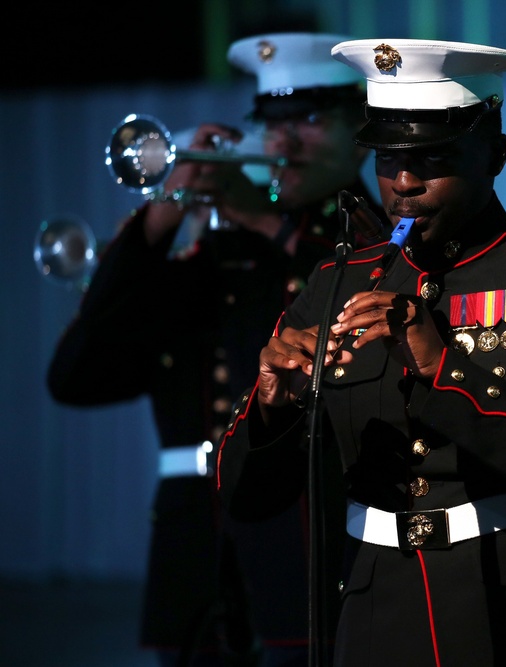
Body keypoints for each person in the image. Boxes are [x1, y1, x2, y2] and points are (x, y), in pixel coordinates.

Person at [215, 38, 506, 666]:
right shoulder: (334, 281)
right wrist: (272, 408)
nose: (405, 183)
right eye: (387, 158)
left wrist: (443, 369)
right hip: (377, 620)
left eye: (432, 157)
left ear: (495, 152)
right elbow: (247, 500)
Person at [47, 32, 385, 666]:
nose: (283, 142)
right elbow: (74, 375)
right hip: (197, 560)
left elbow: (367, 295)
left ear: (358, 128)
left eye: (309, 120)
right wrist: (161, 215)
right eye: (270, 122)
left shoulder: (372, 230)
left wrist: (263, 219)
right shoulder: (217, 259)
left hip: (308, 550)